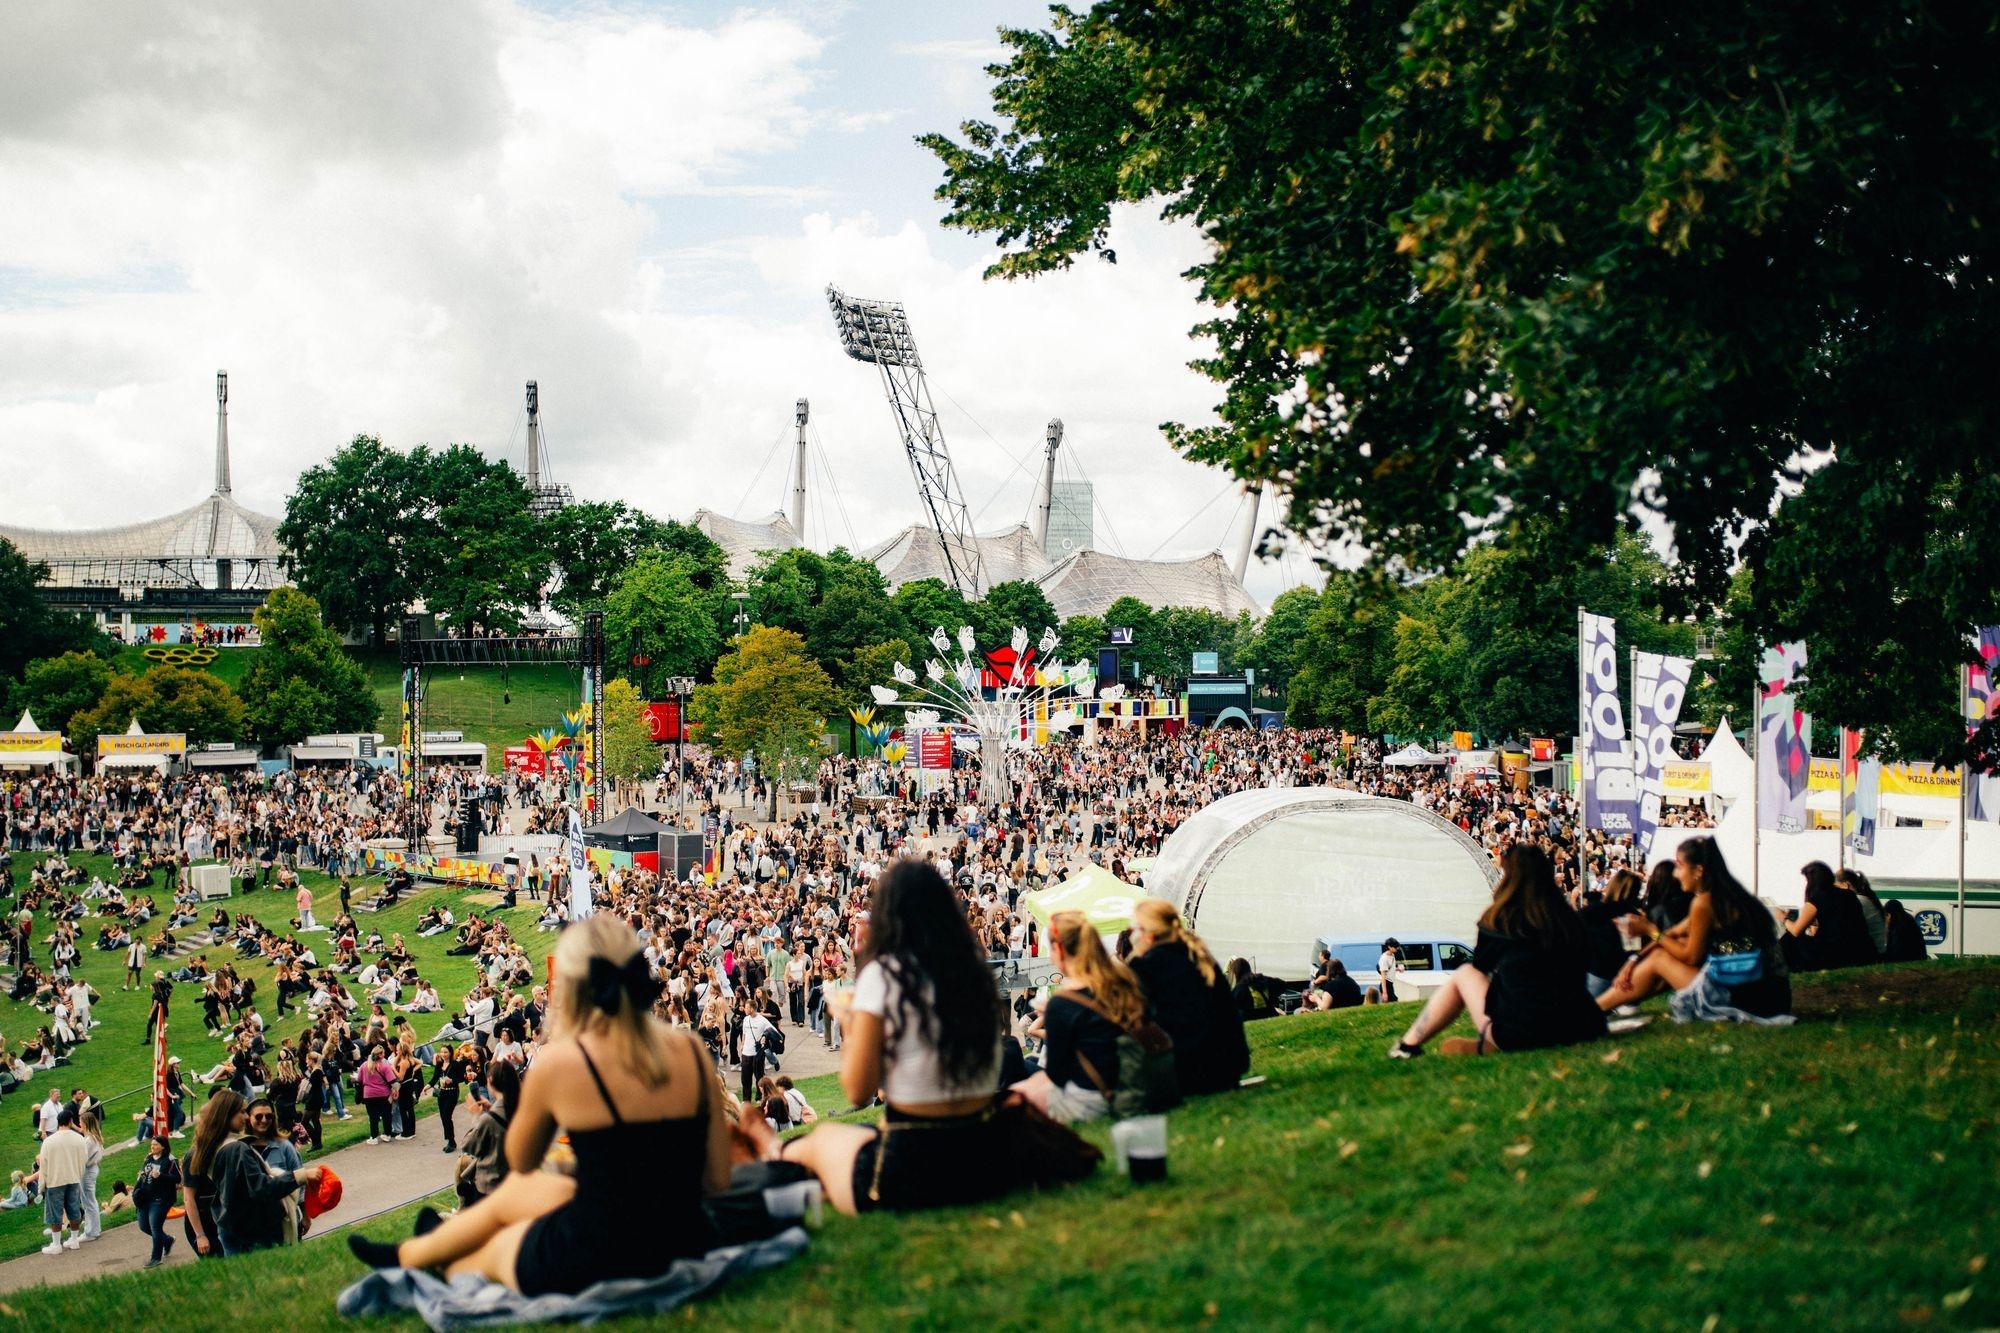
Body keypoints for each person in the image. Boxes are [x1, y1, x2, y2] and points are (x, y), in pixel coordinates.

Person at [347, 913, 731, 1294]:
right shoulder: (691, 1052)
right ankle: (424, 1245)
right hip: (684, 1236)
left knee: (491, 1252)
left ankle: (423, 1256)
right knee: (533, 1196)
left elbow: (520, 1159)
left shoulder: (564, 1062)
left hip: (607, 1251)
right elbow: (716, 1176)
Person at [762, 860, 1013, 1215]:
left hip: (915, 1159)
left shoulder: (885, 974)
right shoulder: (974, 969)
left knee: (808, 1146)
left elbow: (857, 1089)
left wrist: (849, 1022)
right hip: (982, 1151)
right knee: (851, 1138)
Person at [1390, 844, 1606, 1057]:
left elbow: (1480, 968)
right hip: (1582, 1025)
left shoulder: (1500, 921)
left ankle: (1408, 1045)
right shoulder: (1571, 921)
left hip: (1521, 1032)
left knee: (1465, 974)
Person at [1593, 836, 1793, 1022]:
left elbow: (1690, 957)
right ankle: (1599, 1009)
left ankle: (1593, 1011)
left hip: (1754, 999)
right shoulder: (1726, 895)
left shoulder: (1704, 903)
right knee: (1666, 949)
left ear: (1699, 871)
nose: (1676, 874)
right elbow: (1674, 934)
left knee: (1660, 959)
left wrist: (1650, 930)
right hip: (1772, 994)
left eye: (1680, 866)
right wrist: (1634, 959)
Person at [1012, 910, 1145, 1124]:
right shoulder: (1122, 980)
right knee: (1031, 1079)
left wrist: (1053, 1018)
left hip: (1092, 1098)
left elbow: (1057, 1073)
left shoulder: (1063, 1003)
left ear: (1058, 949)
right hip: (1131, 1083)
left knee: (1015, 1096)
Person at [1125, 898, 1248, 1094]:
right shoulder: (1201, 958)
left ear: (1148, 934)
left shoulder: (1142, 967)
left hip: (1182, 1072)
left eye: (1135, 929)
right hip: (1226, 1066)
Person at [213, 1098, 321, 1254]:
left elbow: (300, 1187)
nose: (264, 1120)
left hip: (283, 1217)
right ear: (248, 1118)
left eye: (269, 1116)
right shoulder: (239, 1148)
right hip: (254, 1223)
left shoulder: (284, 1147)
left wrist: (305, 1215)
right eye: (258, 1116)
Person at [1779, 861, 1877, 972]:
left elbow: (1796, 931)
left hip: (1832, 955)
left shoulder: (1816, 899)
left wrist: (1783, 918)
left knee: (1789, 937)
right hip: (1860, 951)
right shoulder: (1849, 895)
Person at [455, 1060, 520, 1209]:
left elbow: (468, 1145)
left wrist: (476, 1116)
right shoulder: (519, 1107)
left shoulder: (489, 1120)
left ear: (490, 1081)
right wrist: (490, 1110)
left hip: (491, 1185)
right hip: (514, 1180)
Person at [36, 1105, 90, 1254]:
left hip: (55, 1181)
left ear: (58, 1122)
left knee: (55, 1213)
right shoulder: (79, 1138)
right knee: (74, 1210)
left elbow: (43, 1167)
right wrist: (77, 1174)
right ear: (70, 1121)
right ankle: (74, 1239)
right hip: (73, 1178)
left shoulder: (48, 1142)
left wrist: (41, 1186)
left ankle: (56, 1245)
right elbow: (83, 1160)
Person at [132, 1134, 181, 1267]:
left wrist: (161, 1176)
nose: (152, 1147)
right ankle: (167, 1240)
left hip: (161, 1199)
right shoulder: (148, 1158)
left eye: (155, 1145)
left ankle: (155, 1258)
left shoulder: (170, 1160)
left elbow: (177, 1178)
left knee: (155, 1227)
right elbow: (142, 1175)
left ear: (163, 1147)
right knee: (143, 1226)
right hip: (144, 1198)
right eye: (152, 1144)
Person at [358, 1043, 397, 1143]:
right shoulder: (384, 1066)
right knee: (386, 1115)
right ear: (381, 1055)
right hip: (383, 1094)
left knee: (373, 1117)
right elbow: (392, 1081)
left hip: (368, 1095)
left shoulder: (364, 1065)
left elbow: (360, 1080)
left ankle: (373, 1137)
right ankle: (387, 1134)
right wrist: (394, 1091)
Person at [1376, 938, 1406, 1003]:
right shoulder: (1384, 959)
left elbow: (1389, 969)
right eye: (1395, 947)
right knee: (1393, 1001)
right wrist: (1384, 993)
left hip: (1390, 983)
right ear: (1389, 947)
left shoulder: (1392, 955)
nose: (1397, 948)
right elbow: (1383, 976)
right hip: (1386, 984)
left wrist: (1398, 969)